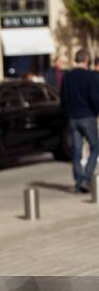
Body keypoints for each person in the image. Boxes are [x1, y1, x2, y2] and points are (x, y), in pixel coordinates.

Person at [60, 49, 99, 193]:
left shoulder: (67, 77)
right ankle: (86, 179)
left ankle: (78, 180)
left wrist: (68, 113)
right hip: (87, 117)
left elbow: (62, 99)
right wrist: (96, 112)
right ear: (87, 61)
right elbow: (95, 98)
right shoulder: (91, 76)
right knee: (95, 147)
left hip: (72, 118)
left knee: (76, 150)